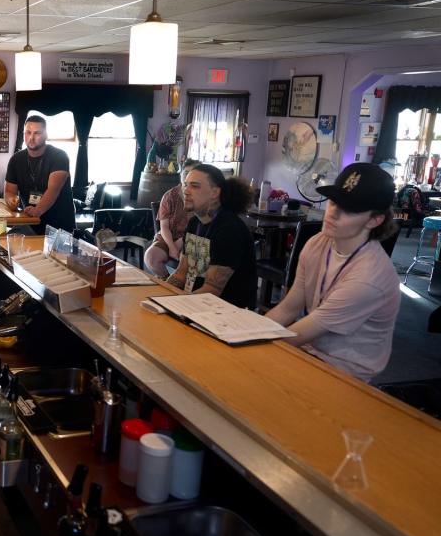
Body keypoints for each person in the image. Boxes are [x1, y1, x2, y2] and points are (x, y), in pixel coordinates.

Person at [266, 163, 401, 382]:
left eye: (348, 209)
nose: (333, 213)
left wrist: (249, 341)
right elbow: (288, 308)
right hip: (310, 351)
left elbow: (296, 335)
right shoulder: (318, 243)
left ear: (375, 220)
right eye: (333, 201)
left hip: (345, 371)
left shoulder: (369, 278)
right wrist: (249, 330)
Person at [167, 164, 257, 308]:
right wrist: (160, 294)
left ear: (215, 193)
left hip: (226, 313)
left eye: (195, 186)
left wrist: (174, 304)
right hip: (196, 305)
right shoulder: (194, 223)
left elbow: (211, 291)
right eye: (185, 185)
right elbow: (180, 273)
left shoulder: (229, 229)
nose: (186, 191)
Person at [4, 115, 76, 232]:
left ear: (46, 135)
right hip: (30, 222)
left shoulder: (60, 157)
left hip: (60, 226)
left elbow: (53, 190)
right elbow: (9, 192)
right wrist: (11, 201)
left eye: (37, 133)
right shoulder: (16, 159)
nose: (31, 137)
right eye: (28, 132)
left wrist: (37, 210)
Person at [145, 159, 199, 277]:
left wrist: (181, 243)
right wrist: (172, 247)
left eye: (193, 173)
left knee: (189, 264)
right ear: (181, 175)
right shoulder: (170, 196)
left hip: (193, 238)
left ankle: (182, 288)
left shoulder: (202, 197)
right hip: (168, 236)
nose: (188, 177)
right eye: (186, 173)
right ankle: (167, 282)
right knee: (151, 258)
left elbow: (200, 226)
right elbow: (164, 227)